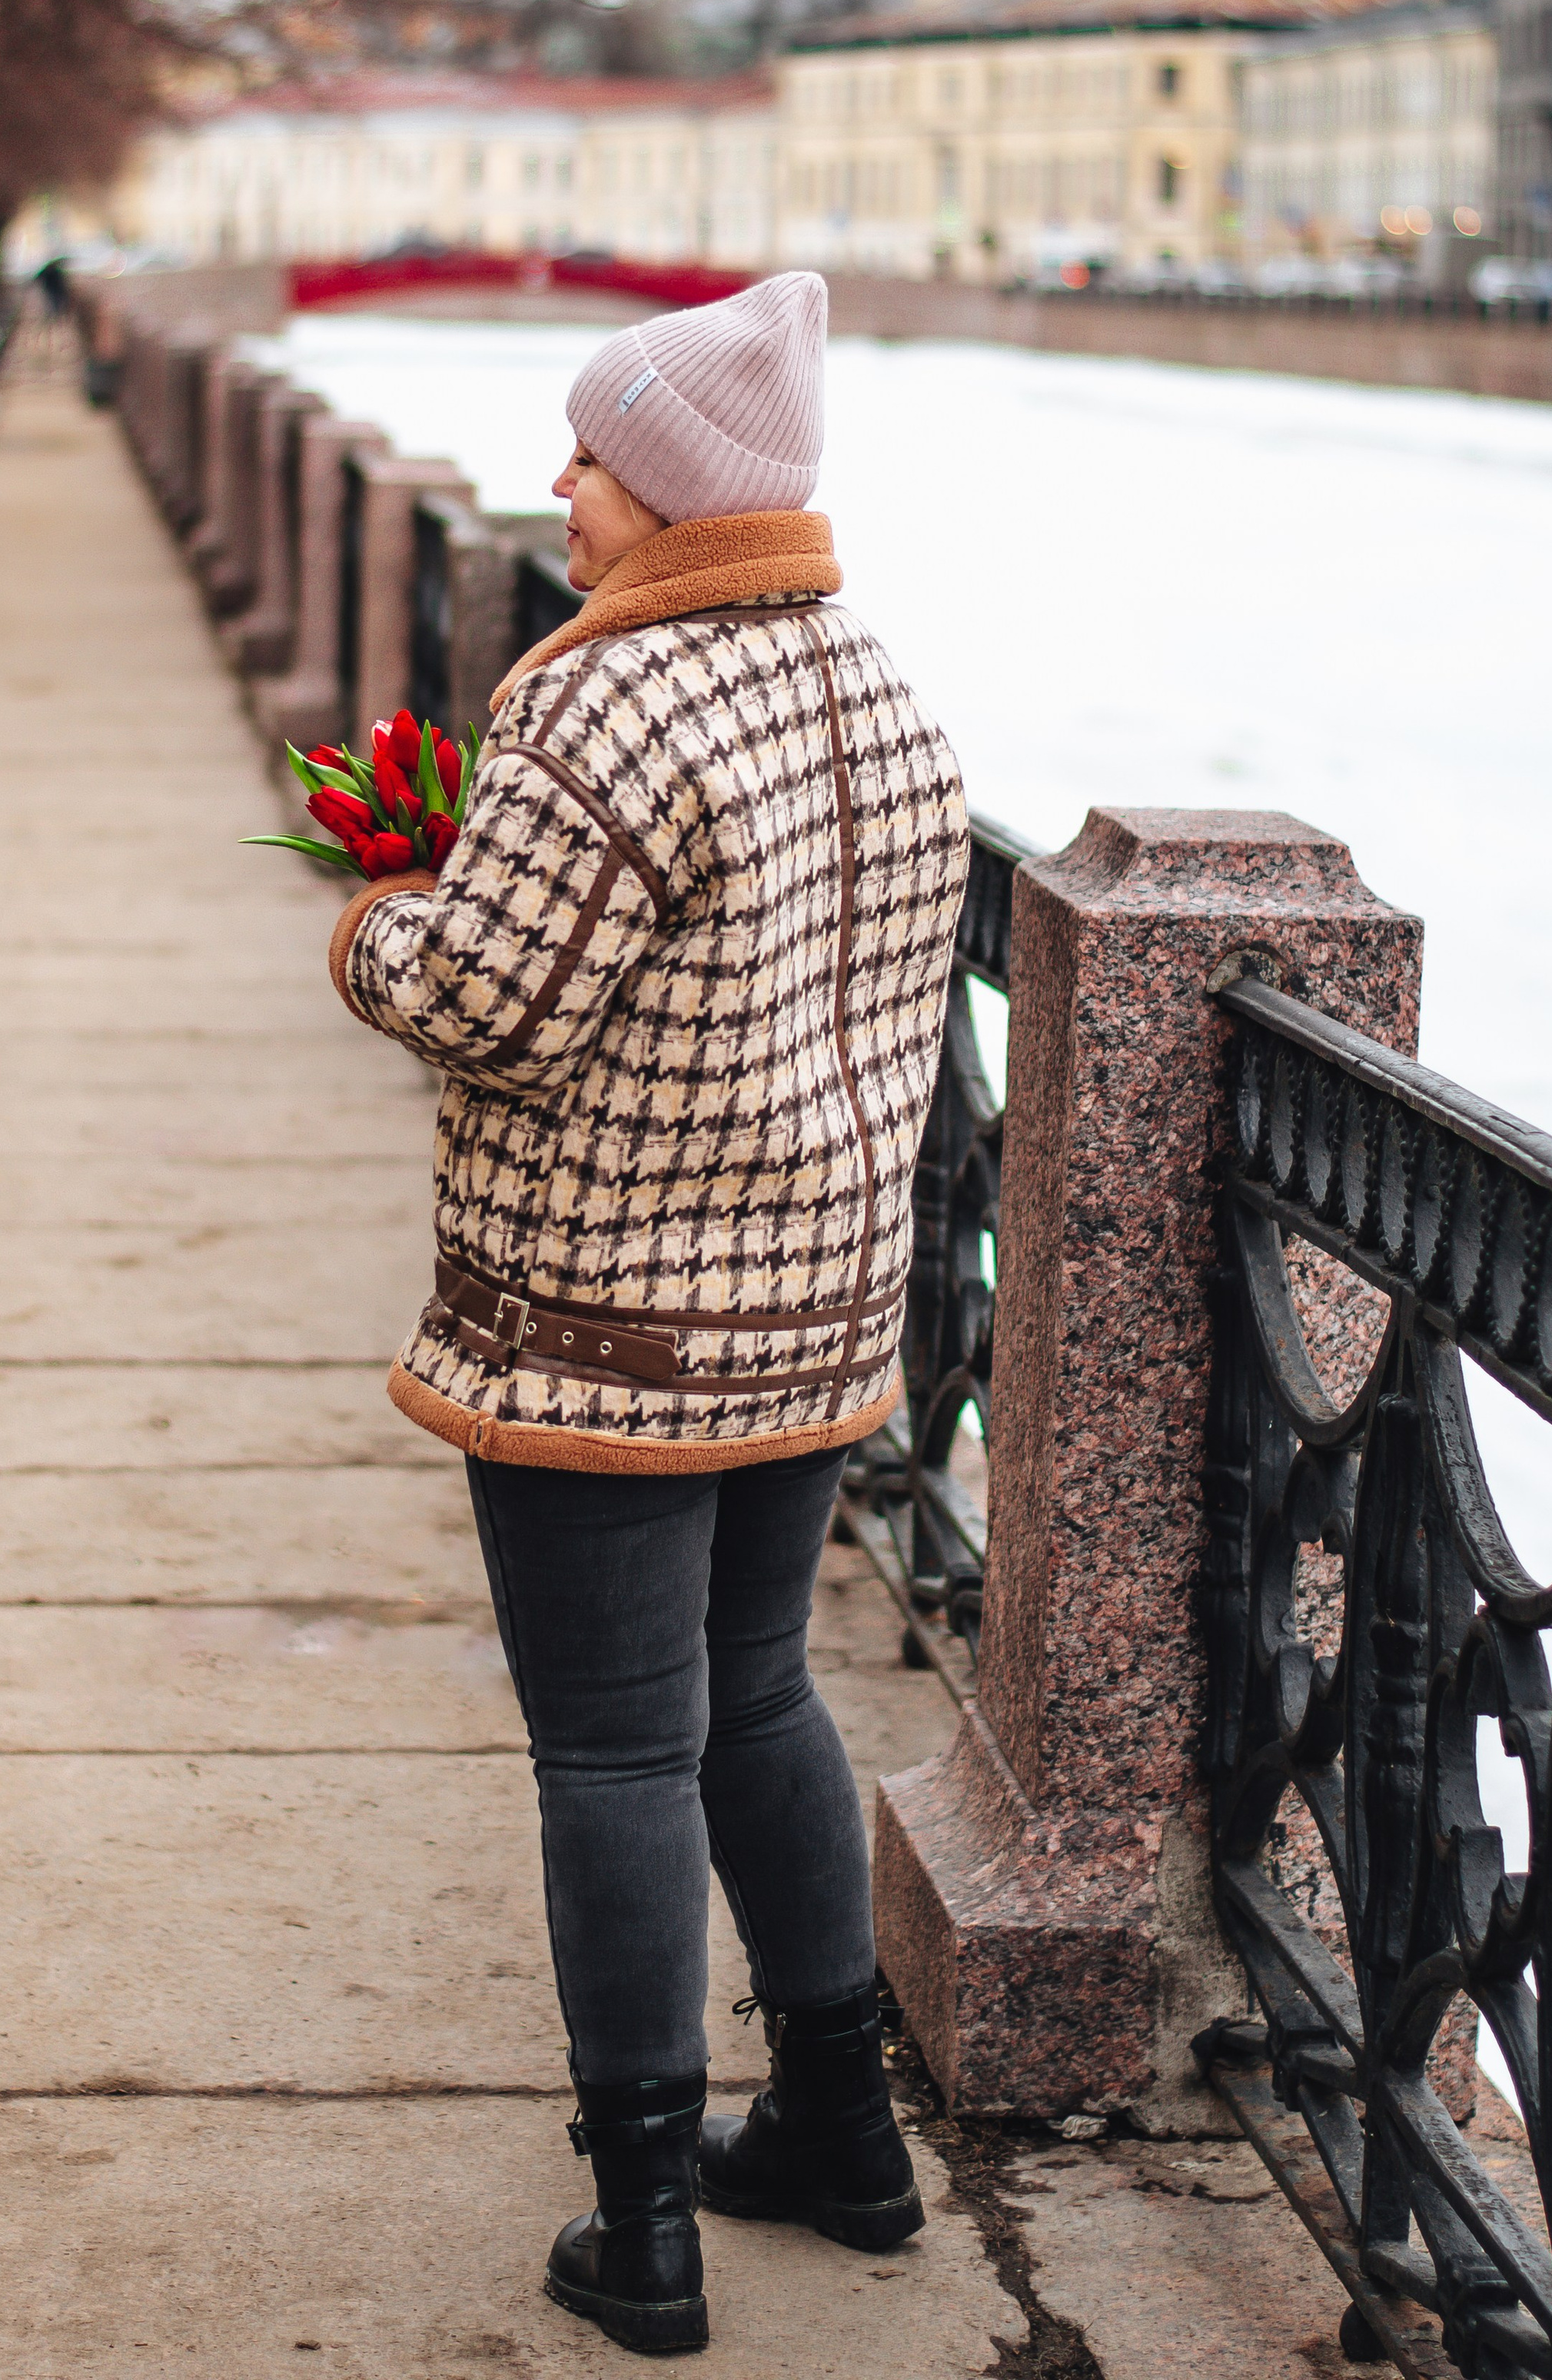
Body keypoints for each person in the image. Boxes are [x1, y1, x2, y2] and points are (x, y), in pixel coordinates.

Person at [327, 271, 968, 2356]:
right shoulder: (871, 677)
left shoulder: (607, 702)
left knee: (614, 1752)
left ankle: (646, 2229)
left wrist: (374, 929)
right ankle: (844, 2141)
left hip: (609, 1327)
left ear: (673, 491)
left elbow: (493, 1004)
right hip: (806, 1312)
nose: (560, 486)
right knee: (760, 1697)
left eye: (589, 457)